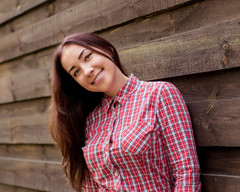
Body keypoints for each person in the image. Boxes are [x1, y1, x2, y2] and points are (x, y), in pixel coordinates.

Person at [49, 32, 201, 191]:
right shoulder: (90, 121)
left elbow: (186, 171)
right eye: (76, 72)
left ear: (107, 49)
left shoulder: (159, 95)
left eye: (87, 57)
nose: (86, 71)